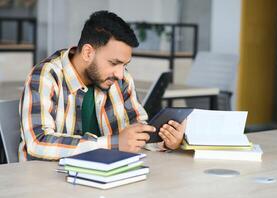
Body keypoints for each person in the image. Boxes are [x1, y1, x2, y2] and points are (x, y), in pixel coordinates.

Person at [18, 10, 185, 161]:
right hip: (47, 185)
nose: (120, 73)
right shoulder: (46, 76)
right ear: (88, 52)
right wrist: (112, 143)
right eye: (114, 63)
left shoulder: (121, 80)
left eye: (124, 65)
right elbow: (37, 142)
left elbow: (137, 135)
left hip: (103, 180)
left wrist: (166, 141)